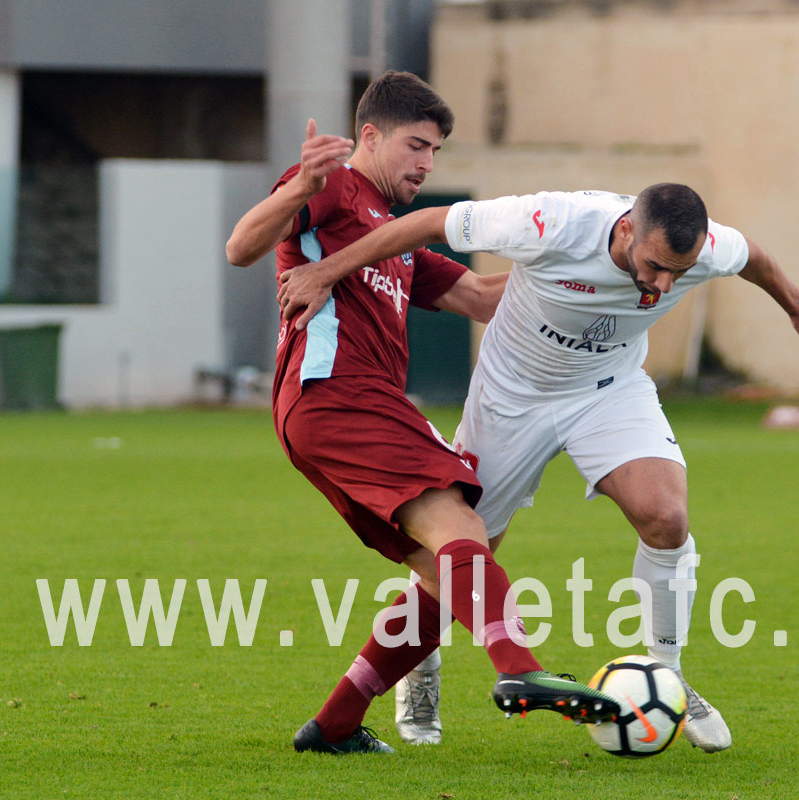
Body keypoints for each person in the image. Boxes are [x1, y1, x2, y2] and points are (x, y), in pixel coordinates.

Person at [276, 182, 799, 753]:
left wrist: (798, 307)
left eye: (680, 270)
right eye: (654, 266)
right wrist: (326, 272)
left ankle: (666, 677)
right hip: (511, 395)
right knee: (459, 555)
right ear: (626, 229)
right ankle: (419, 670)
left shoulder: (705, 249)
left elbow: (755, 258)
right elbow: (428, 225)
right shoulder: (550, 221)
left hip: (608, 390)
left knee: (667, 516)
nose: (663, 285)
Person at [225, 71, 617, 756]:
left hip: (345, 407)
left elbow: (480, 296)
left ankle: (335, 727)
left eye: (435, 152)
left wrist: (592, 270)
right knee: (463, 529)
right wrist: (299, 188)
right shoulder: (335, 188)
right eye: (416, 146)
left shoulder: (395, 235)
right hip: (335, 392)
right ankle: (519, 671)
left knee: (452, 571)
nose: (426, 164)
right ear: (368, 137)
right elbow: (241, 247)